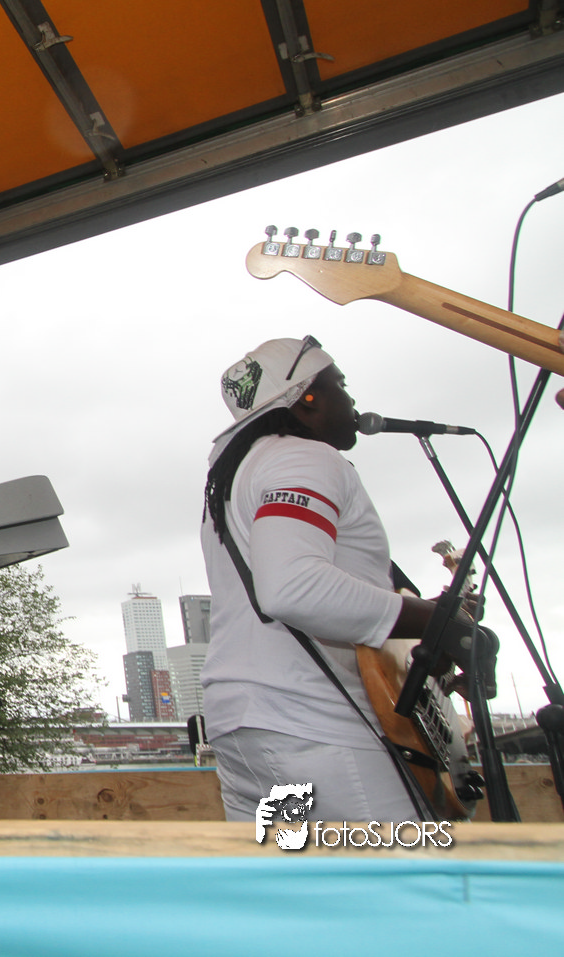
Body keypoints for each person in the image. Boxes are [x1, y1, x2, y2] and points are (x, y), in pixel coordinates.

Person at [199, 336, 478, 822]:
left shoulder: (236, 478)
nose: (352, 400)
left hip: (246, 730)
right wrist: (439, 622)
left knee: (296, 876)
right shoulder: (301, 458)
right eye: (341, 385)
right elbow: (293, 588)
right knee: (399, 873)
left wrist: (423, 621)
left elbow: (314, 591)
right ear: (307, 399)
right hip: (317, 728)